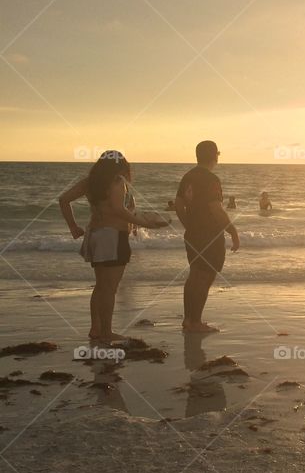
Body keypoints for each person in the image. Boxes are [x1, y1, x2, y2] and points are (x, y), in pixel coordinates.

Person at [59, 151, 170, 339]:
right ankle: (106, 332)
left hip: (94, 235)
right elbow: (119, 210)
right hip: (112, 237)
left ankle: (96, 329)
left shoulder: (90, 182)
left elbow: (63, 200)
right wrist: (146, 223)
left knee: (100, 286)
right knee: (110, 288)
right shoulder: (117, 181)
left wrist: (73, 226)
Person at [175, 141, 240, 333]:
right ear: (215, 156)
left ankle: (189, 319)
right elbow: (216, 210)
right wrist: (233, 232)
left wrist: (189, 225)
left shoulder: (188, 176)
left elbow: (178, 205)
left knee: (194, 275)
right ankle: (195, 322)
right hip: (209, 236)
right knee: (205, 277)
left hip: (193, 235)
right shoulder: (211, 179)